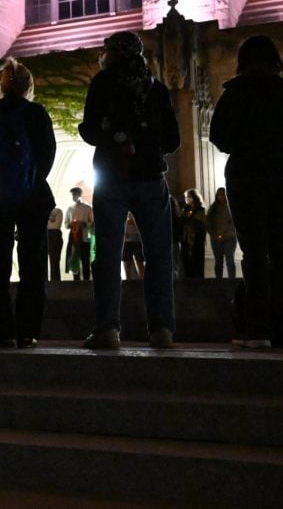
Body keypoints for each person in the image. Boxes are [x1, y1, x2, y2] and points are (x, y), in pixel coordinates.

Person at [79, 31, 181, 350]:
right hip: (150, 176)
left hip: (112, 175)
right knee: (158, 252)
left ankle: (108, 328)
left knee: (108, 252)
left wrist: (111, 133)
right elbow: (174, 140)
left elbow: (91, 131)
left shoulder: (103, 83)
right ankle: (161, 327)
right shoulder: (156, 87)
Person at [209, 36, 283, 349]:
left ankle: (258, 326)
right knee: (282, 249)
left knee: (254, 252)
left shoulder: (236, 92)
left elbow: (219, 137)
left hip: (248, 176)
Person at [0, 59, 57, 349]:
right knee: (32, 262)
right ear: (28, 86)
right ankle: (28, 330)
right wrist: (30, 180)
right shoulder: (36, 113)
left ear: (2, 85)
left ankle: (3, 332)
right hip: (32, 197)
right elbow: (47, 155)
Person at [206, 188, 236, 279]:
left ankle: (232, 280)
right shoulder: (213, 208)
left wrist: (226, 234)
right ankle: (219, 280)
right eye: (219, 195)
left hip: (229, 238)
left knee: (230, 261)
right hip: (216, 239)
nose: (221, 197)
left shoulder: (231, 207)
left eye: (223, 194)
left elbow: (233, 223)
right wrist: (214, 234)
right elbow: (208, 223)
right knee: (218, 262)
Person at [64, 187, 93, 280]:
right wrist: (72, 224)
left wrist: (83, 223)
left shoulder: (88, 208)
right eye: (72, 195)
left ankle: (86, 281)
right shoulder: (69, 209)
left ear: (80, 195)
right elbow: (66, 224)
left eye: (75, 194)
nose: (74, 196)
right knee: (74, 260)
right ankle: (76, 281)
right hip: (74, 238)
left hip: (85, 238)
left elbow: (92, 222)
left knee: (85, 261)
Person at [179, 189, 208, 279]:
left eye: (188, 197)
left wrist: (190, 217)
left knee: (197, 261)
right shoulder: (185, 209)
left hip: (196, 239)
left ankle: (198, 280)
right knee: (186, 262)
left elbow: (200, 223)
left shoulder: (200, 210)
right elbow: (182, 221)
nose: (187, 199)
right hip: (186, 238)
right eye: (186, 197)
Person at [122, 213, 145, 280]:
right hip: (127, 242)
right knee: (127, 264)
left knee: (140, 263)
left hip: (137, 241)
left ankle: (142, 281)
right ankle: (128, 281)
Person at [46, 206, 64, 281]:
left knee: (55, 262)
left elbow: (54, 223)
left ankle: (55, 281)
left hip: (54, 234)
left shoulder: (58, 211)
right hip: (47, 234)